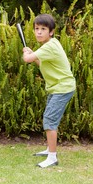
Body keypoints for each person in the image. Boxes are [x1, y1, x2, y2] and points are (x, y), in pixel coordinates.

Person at [22, 14, 76, 168]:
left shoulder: (49, 46)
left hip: (62, 88)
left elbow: (27, 60)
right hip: (57, 87)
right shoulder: (51, 44)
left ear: (51, 32)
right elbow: (40, 63)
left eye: (43, 29)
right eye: (36, 29)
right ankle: (49, 150)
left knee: (49, 120)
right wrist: (32, 53)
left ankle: (52, 157)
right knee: (50, 118)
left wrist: (28, 54)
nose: (39, 32)